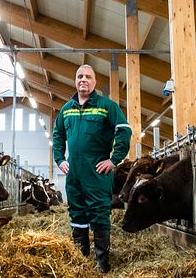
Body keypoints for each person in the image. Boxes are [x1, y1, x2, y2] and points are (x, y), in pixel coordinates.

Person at [52, 64, 131, 273]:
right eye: (79, 76)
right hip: (74, 172)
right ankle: (81, 260)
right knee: (76, 212)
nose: (83, 80)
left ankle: (102, 264)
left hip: (97, 171)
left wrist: (114, 160)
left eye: (88, 76)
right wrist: (59, 159)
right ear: (75, 80)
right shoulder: (66, 109)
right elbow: (58, 135)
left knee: (99, 213)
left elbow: (124, 130)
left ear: (95, 82)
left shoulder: (107, 106)